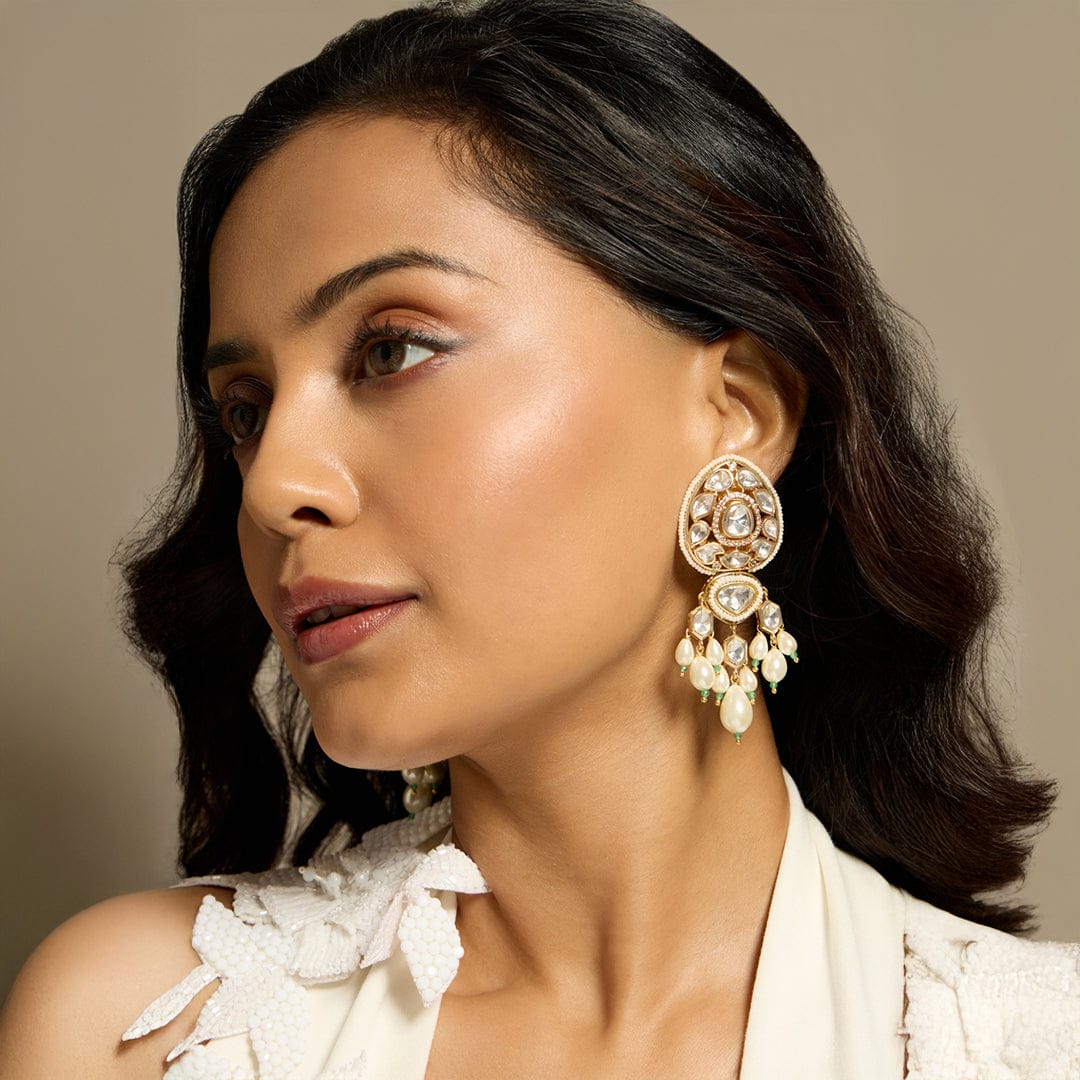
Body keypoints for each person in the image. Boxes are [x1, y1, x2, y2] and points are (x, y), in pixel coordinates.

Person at [1, 1, 1076, 1076]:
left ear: (736, 410)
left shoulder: (1035, 1047)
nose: (276, 484)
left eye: (391, 351)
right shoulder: (143, 1028)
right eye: (246, 410)